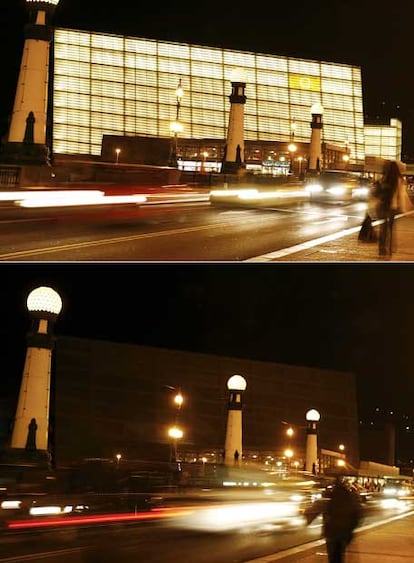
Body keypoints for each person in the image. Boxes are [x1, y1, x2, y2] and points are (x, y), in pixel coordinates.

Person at [305, 477, 362, 563]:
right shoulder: (349, 496)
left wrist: (308, 520)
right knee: (340, 553)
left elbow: (316, 509)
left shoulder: (330, 497)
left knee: (333, 555)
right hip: (344, 531)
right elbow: (356, 513)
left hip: (332, 531)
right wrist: (351, 529)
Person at [374, 160, 411, 257]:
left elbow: (377, 192)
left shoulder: (384, 178)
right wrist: (404, 208)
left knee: (383, 228)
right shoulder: (399, 180)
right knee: (391, 229)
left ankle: (382, 250)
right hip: (392, 207)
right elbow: (401, 195)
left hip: (383, 206)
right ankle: (390, 249)